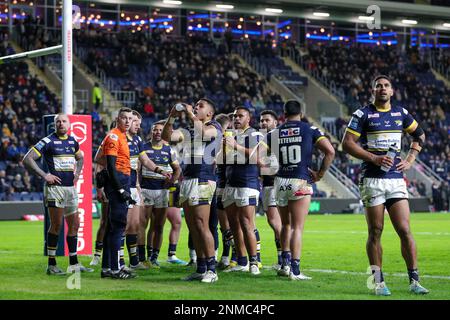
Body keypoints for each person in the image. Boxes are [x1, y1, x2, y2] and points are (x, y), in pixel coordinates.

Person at [342, 75, 429, 295]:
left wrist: (409, 160)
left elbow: (419, 136)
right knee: (375, 231)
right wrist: (374, 158)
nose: (382, 88)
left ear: (392, 91)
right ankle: (378, 282)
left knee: (405, 230)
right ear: (373, 91)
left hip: (395, 180)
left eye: (386, 86)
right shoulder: (363, 114)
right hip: (371, 179)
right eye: (378, 86)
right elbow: (347, 144)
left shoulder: (401, 113)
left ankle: (415, 281)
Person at [264, 100, 335, 281]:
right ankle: (295, 270)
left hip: (279, 181)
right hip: (299, 179)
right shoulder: (310, 130)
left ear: (284, 114)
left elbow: (263, 156)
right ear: (301, 113)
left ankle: (285, 265)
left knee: (285, 225)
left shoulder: (274, 133)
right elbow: (330, 151)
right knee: (297, 227)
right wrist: (319, 173)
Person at [23, 113, 93, 275]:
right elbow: (27, 159)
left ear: (69, 125)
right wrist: (45, 175)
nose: (61, 124)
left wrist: (77, 175)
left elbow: (80, 158)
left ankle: (74, 263)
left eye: (64, 121)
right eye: (58, 122)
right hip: (55, 189)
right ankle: (52, 264)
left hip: (70, 189)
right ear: (55, 125)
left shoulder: (72, 141)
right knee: (56, 225)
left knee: (75, 225)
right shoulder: (47, 141)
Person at [162, 98, 222, 283]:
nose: (196, 107)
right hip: (187, 179)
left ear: (209, 113)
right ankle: (201, 267)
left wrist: (189, 113)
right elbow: (166, 137)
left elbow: (203, 132)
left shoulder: (214, 127)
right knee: (193, 226)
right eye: (195, 105)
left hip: (203, 179)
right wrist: (171, 117)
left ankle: (212, 270)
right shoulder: (187, 131)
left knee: (202, 224)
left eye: (200, 106)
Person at [222, 106, 264, 275]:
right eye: (234, 116)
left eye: (240, 116)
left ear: (249, 119)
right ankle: (242, 261)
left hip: (247, 183)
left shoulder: (255, 134)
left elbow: (257, 158)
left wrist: (235, 146)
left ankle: (254, 262)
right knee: (234, 226)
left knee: (247, 224)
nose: (236, 118)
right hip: (230, 183)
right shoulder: (231, 135)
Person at [139, 120, 183, 267]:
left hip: (162, 192)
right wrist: (138, 186)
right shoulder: (143, 147)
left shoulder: (169, 150)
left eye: (160, 130)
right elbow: (138, 169)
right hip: (146, 190)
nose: (158, 132)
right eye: (155, 130)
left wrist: (171, 183)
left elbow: (177, 169)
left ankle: (154, 257)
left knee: (159, 226)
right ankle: (141, 257)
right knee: (143, 225)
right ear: (151, 131)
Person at [99, 107, 136, 279]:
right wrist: (120, 189)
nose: (127, 121)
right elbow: (111, 166)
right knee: (118, 226)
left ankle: (107, 268)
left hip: (120, 180)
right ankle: (115, 269)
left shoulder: (121, 136)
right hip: (118, 182)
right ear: (117, 119)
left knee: (112, 228)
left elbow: (99, 158)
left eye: (130, 118)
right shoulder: (114, 136)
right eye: (124, 118)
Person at [259, 110, 283, 270]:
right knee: (276, 222)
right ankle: (282, 259)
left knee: (275, 222)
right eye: (261, 121)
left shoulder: (275, 137)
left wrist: (260, 166)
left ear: (275, 122)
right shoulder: (264, 139)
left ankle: (286, 258)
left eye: (267, 120)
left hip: (275, 184)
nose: (263, 123)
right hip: (268, 184)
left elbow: (275, 165)